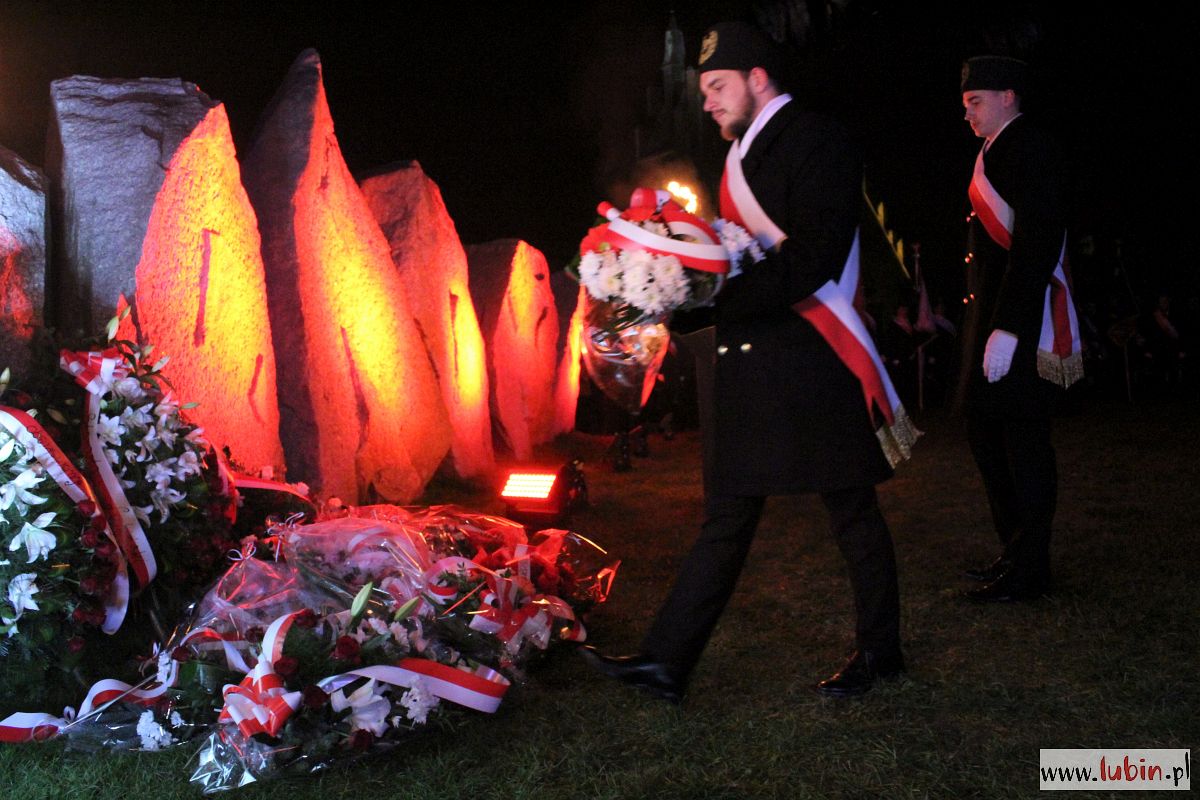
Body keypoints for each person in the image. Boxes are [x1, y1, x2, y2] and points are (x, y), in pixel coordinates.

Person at [581, 21, 918, 700]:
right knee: (728, 513)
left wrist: (712, 302)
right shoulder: (740, 158)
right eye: (703, 90)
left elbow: (810, 261)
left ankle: (881, 652)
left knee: (851, 509)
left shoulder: (816, 141)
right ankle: (666, 661)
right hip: (755, 363)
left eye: (717, 87)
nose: (707, 102)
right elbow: (736, 256)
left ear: (757, 79)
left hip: (812, 357)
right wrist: (672, 287)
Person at [957, 56, 1081, 601]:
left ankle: (1031, 570)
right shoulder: (992, 151)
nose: (967, 114)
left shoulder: (1031, 146)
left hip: (1021, 325)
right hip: (992, 320)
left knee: (1023, 443)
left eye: (974, 101)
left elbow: (1035, 242)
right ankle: (1016, 552)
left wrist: (1008, 326)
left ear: (1008, 95)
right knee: (987, 436)